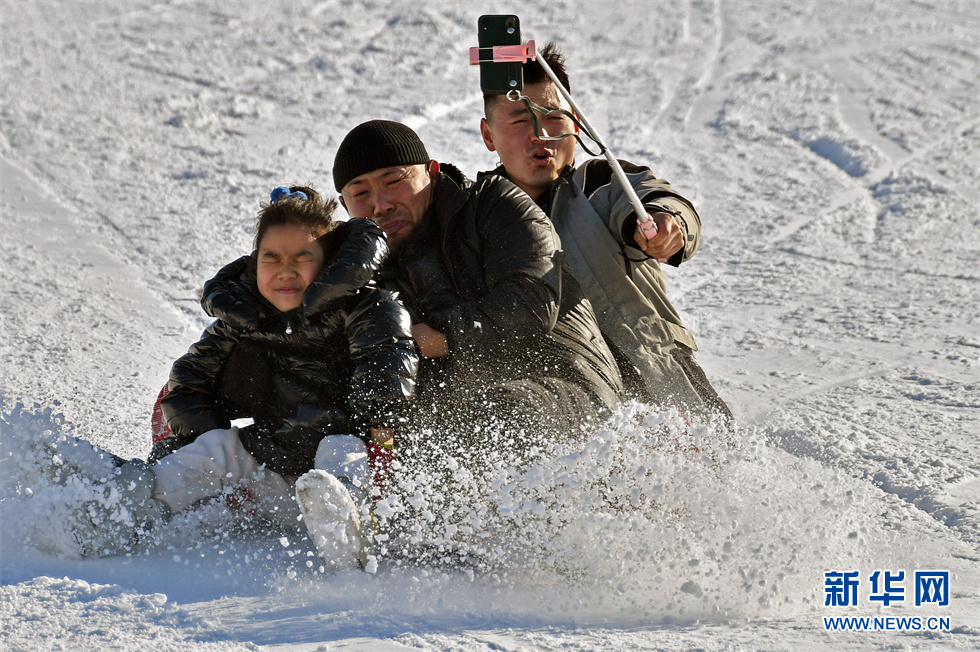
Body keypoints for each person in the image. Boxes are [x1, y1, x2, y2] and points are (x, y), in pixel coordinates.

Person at [63, 186, 418, 566]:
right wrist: (189, 445)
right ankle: (123, 507)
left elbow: (388, 360)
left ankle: (345, 536)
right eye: (272, 258)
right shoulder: (245, 317)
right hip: (275, 468)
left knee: (340, 448)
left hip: (356, 470)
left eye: (302, 257)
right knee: (218, 449)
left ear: (329, 262)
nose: (285, 270)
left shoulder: (367, 306)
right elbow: (189, 381)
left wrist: (379, 424)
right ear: (254, 262)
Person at [331, 120, 624, 461]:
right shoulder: (357, 269)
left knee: (493, 419)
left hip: (572, 391)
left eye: (394, 181)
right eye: (360, 194)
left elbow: (531, 303)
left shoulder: (493, 205)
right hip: (459, 420)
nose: (380, 204)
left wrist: (435, 337)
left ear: (432, 173)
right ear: (345, 206)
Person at [478, 43, 732, 423]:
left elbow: (651, 198)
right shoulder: (475, 217)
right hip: (558, 410)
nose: (540, 134)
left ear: (576, 123)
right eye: (519, 121)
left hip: (663, 393)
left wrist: (668, 224)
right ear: (489, 135)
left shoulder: (598, 185)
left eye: (553, 117)